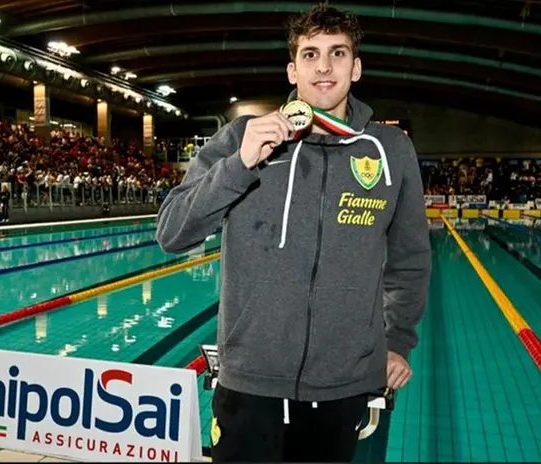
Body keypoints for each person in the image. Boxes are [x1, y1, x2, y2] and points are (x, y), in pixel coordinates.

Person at [156, 4, 431, 462]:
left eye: (337, 53)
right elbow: (172, 233)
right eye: (310, 54)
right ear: (292, 68)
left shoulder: (391, 151)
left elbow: (410, 259)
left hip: (342, 388)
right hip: (250, 385)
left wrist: (397, 340)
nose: (323, 66)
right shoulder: (241, 137)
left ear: (356, 67)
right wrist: (239, 164)